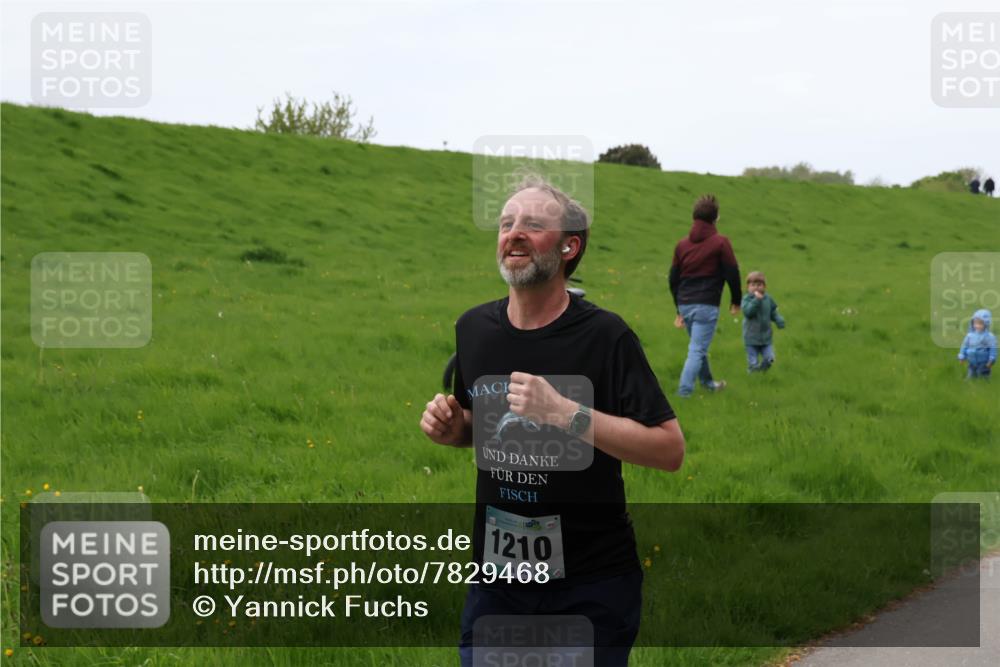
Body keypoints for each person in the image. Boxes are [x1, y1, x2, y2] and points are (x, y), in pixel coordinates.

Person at [419, 175, 685, 666]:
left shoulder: (607, 337)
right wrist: (456, 431)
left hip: (591, 583)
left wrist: (564, 412)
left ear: (569, 246)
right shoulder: (473, 328)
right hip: (497, 581)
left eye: (533, 224)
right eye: (506, 223)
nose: (513, 232)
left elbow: (669, 450)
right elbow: (484, 429)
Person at [668, 194, 742, 396]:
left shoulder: (682, 245)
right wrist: (736, 300)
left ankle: (709, 384)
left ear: (694, 217)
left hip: (685, 303)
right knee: (697, 349)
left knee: (697, 346)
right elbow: (732, 273)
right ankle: (684, 393)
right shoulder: (721, 242)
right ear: (716, 218)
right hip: (706, 305)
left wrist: (678, 308)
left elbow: (673, 279)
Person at [741, 271, 786, 372]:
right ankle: (754, 376)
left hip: (766, 337)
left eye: (759, 285)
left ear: (764, 286)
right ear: (748, 287)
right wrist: (756, 300)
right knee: (753, 363)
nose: (756, 287)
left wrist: (778, 319)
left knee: (770, 358)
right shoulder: (746, 299)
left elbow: (773, 311)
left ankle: (762, 371)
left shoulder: (768, 298)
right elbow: (748, 312)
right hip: (751, 337)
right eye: (753, 285)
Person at [958, 308, 996, 380]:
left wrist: (991, 359)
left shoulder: (989, 337)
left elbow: (992, 348)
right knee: (971, 372)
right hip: (972, 360)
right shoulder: (970, 335)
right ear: (972, 323)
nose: (977, 326)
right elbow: (964, 346)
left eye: (980, 324)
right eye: (975, 323)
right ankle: (970, 381)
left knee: (983, 375)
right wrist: (962, 356)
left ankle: (985, 383)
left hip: (983, 361)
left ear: (986, 323)